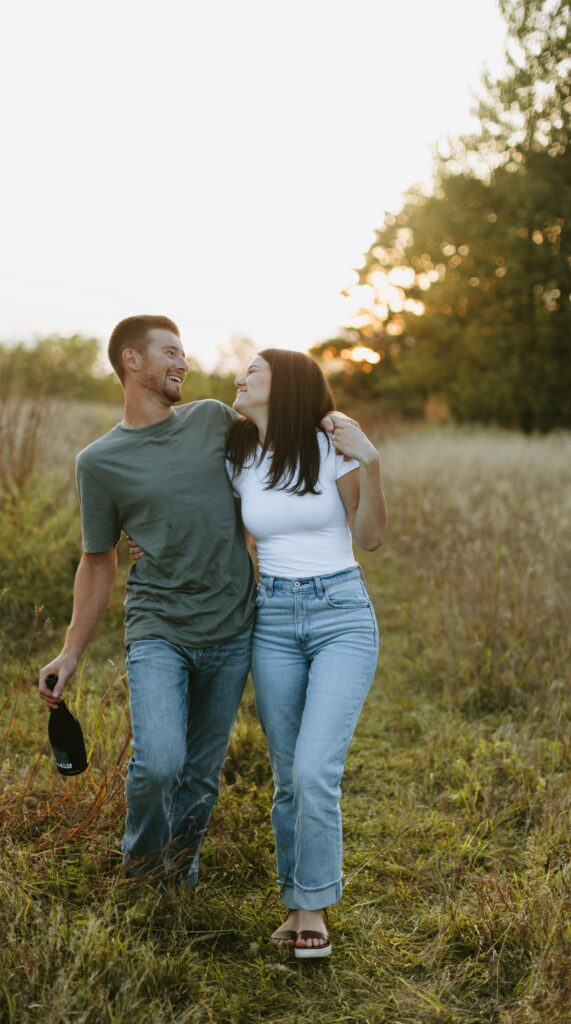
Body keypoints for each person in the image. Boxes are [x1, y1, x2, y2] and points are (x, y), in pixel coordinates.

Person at [38, 315, 257, 888]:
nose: (182, 362)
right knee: (159, 764)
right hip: (159, 627)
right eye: (169, 352)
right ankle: (140, 873)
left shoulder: (212, 418)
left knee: (202, 776)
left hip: (233, 626)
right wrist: (70, 652)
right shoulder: (99, 462)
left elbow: (270, 469)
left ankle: (179, 874)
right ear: (131, 360)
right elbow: (98, 560)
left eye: (183, 353)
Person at [227, 349, 387, 959]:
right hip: (271, 618)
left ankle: (314, 903)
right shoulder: (237, 455)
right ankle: (296, 903)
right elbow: (213, 525)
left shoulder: (333, 448)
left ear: (285, 384)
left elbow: (369, 538)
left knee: (315, 769)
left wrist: (370, 465)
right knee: (288, 773)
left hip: (341, 614)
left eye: (253, 372)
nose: (239, 379)